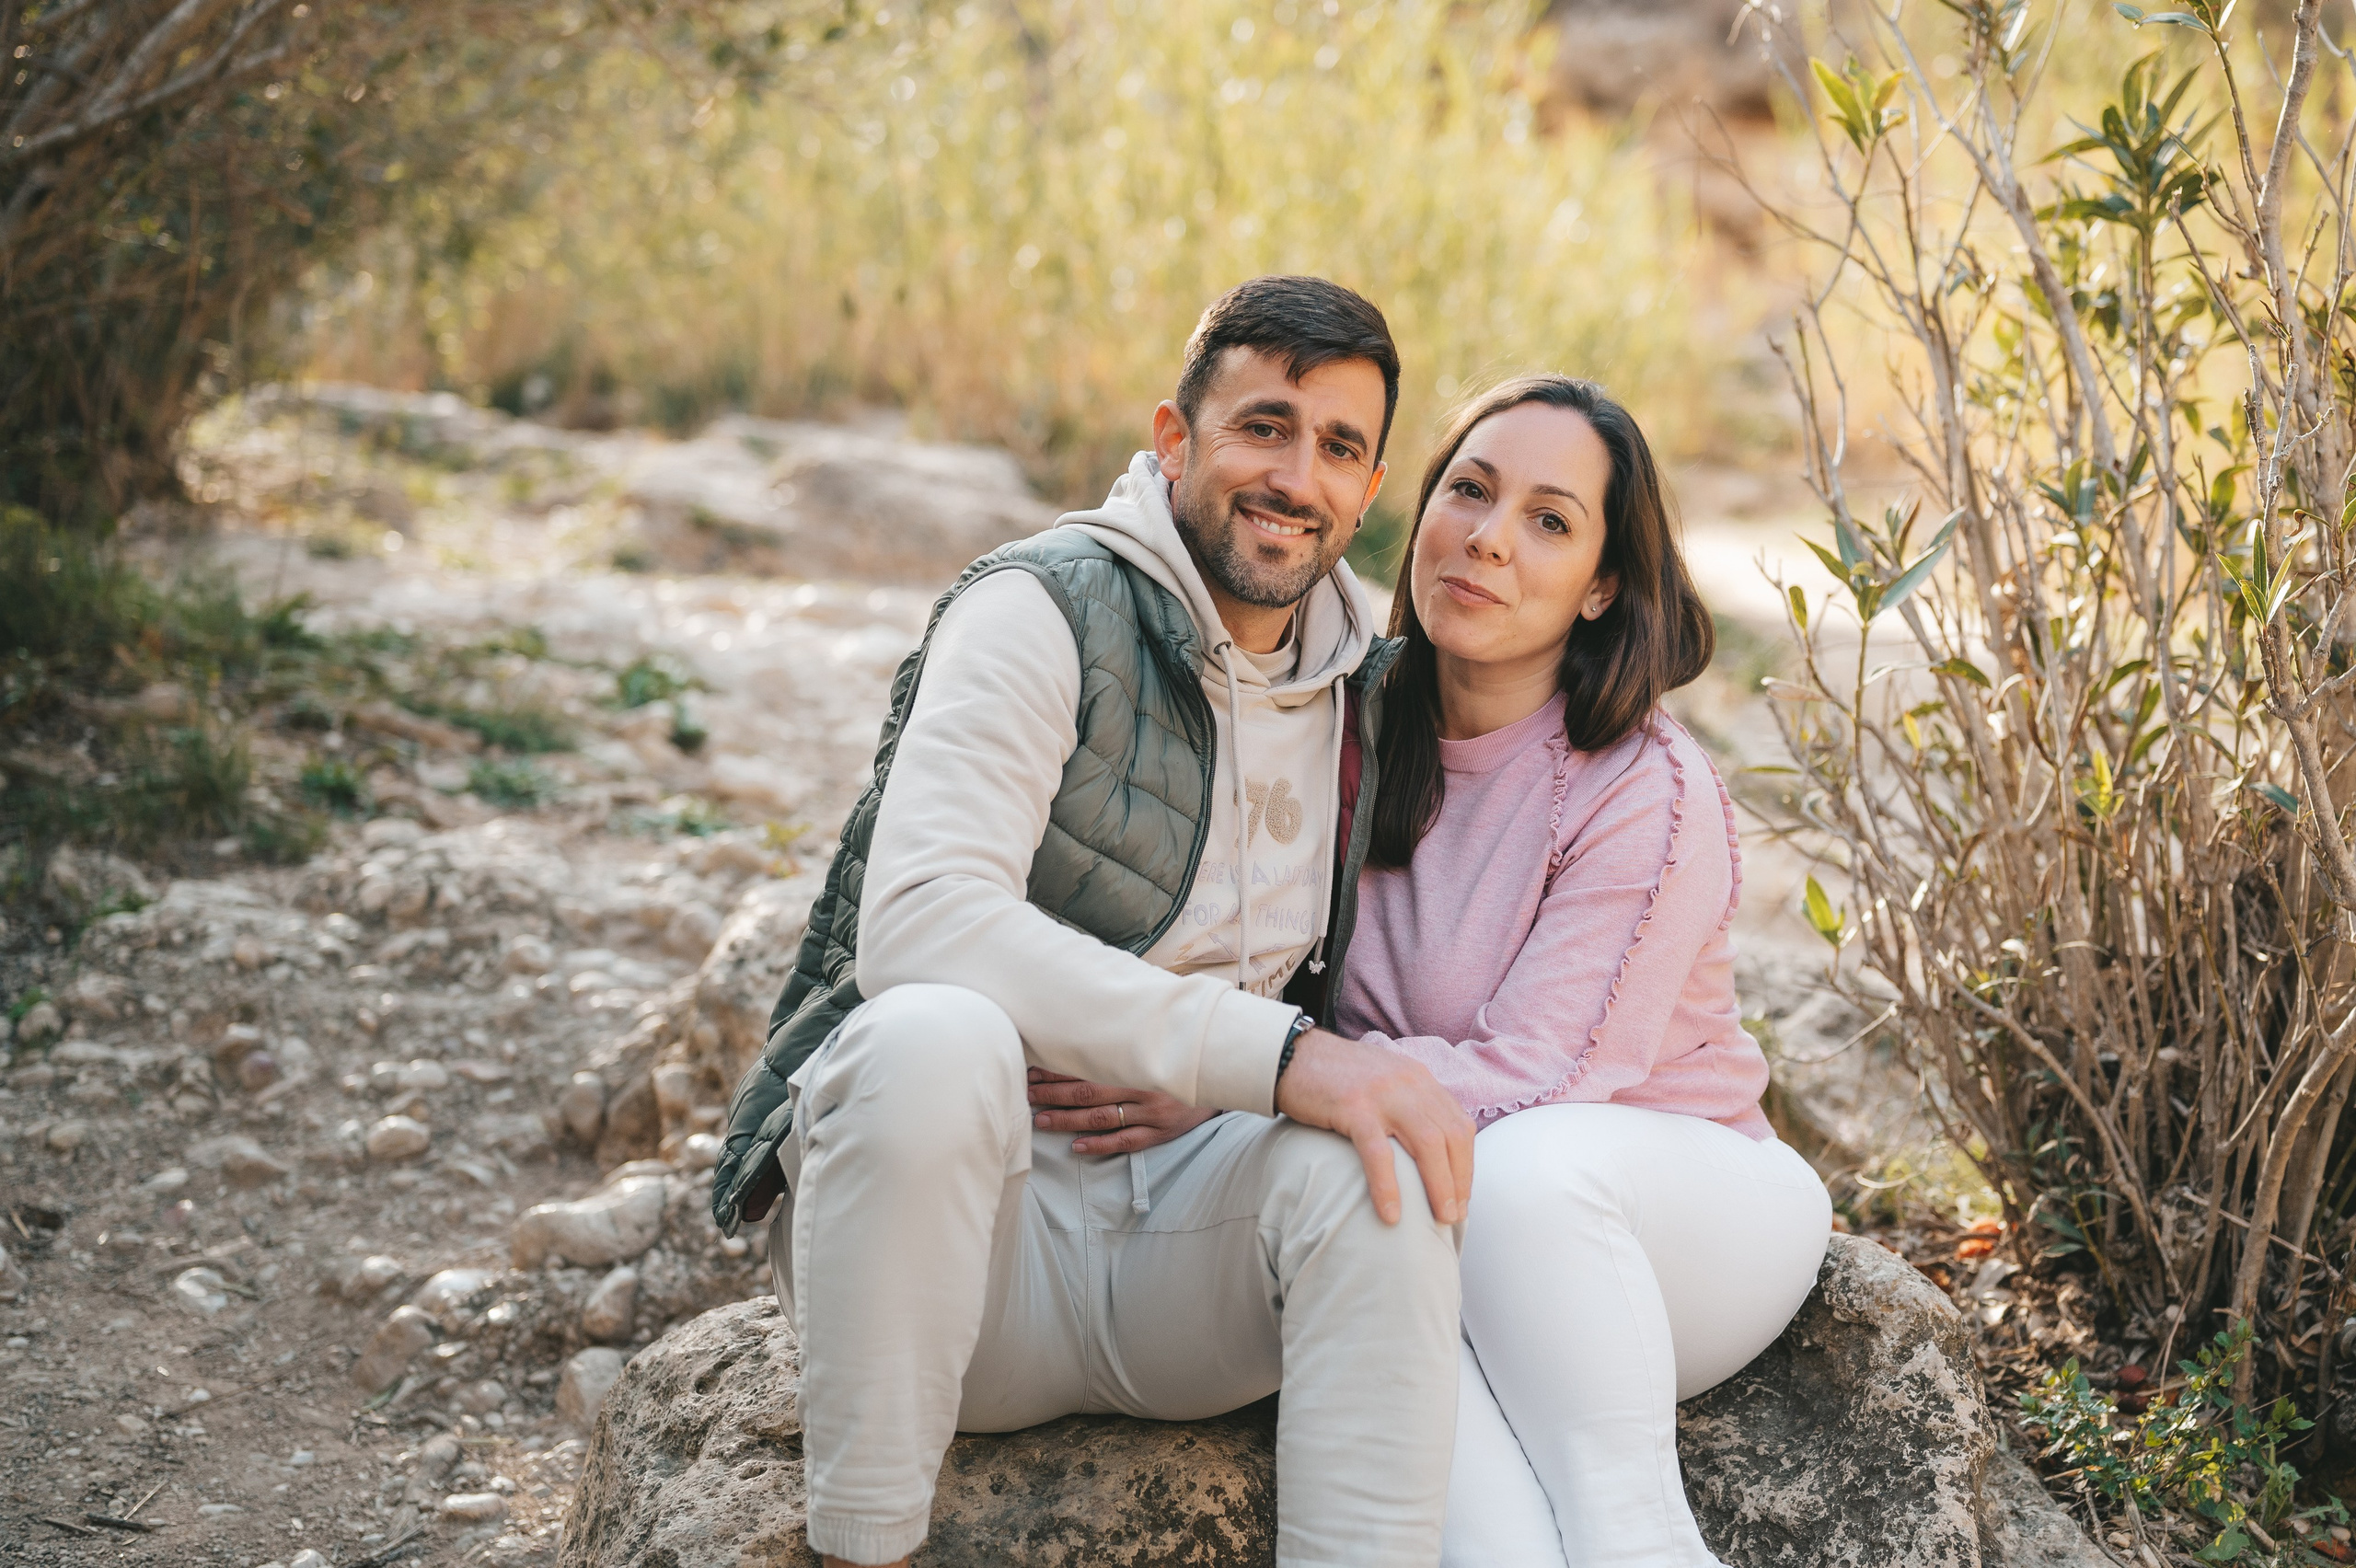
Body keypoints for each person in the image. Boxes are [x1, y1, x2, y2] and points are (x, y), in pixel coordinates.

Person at [710, 275, 1475, 1568]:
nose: (1297, 475)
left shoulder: (1373, 690)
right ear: (1174, 440)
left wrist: (1252, 1080)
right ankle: (860, 1548)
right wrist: (1267, 1054)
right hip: (969, 1250)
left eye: (1338, 446)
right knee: (929, 1041)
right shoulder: (1041, 607)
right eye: (1263, 427)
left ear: (1370, 484)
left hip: (1189, 1259)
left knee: (1376, 1170)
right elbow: (923, 923)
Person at [1034, 375, 1831, 1567]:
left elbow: (1545, 1070)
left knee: (1512, 1174)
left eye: (1551, 522)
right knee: (1396, 1344)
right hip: (1436, 1201)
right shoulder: (1345, 716)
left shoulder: (1647, 789)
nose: (1490, 540)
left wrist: (1245, 1076)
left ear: (1604, 584)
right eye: (1470, 490)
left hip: (1663, 1214)